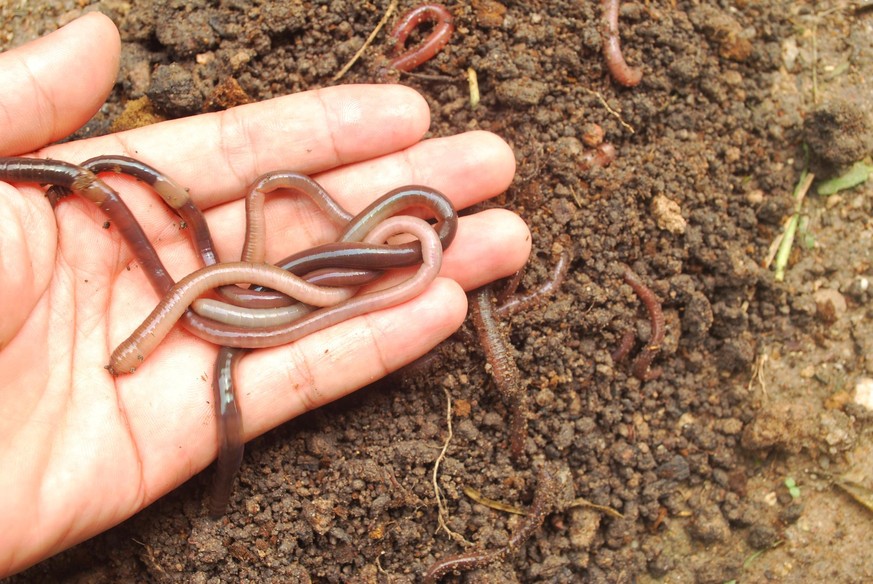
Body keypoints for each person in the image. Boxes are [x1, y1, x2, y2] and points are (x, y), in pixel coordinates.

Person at [0, 13, 530, 577]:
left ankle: (219, 492)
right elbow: (211, 283)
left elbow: (222, 282)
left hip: (241, 288)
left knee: (221, 294)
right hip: (226, 292)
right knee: (213, 296)